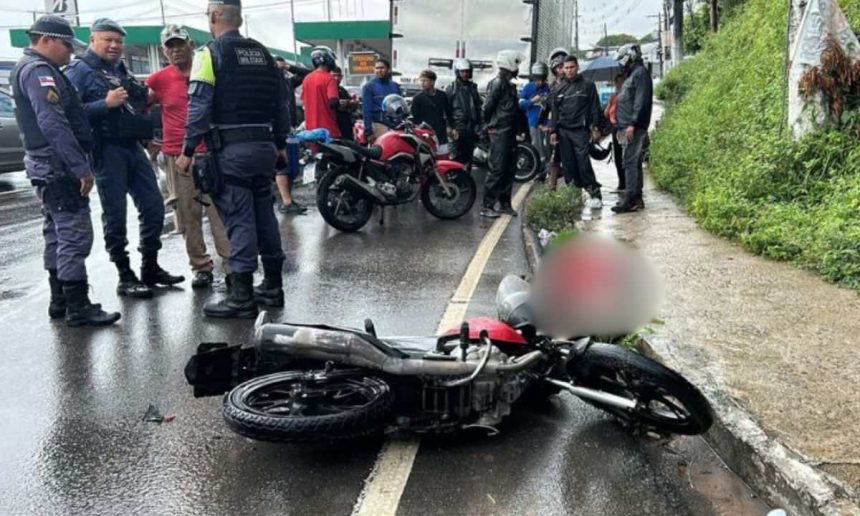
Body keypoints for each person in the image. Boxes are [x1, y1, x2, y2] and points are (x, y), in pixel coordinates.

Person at [176, 0, 289, 318]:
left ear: (213, 16)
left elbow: (199, 107)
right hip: (264, 148)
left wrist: (187, 150)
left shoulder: (208, 54)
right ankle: (273, 286)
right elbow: (282, 105)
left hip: (231, 152)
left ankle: (241, 297)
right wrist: (280, 143)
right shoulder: (264, 55)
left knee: (239, 220)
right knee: (264, 216)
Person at [10, 16, 120, 327]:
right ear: (46, 40)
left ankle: (60, 300)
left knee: (55, 231)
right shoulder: (39, 71)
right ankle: (78, 305)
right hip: (57, 166)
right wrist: (80, 167)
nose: (70, 52)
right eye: (67, 45)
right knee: (74, 234)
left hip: (47, 164)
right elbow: (53, 122)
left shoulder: (32, 68)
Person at [65, 18, 184, 299]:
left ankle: (150, 267)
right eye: (108, 40)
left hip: (132, 147)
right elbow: (68, 113)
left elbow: (138, 102)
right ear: (93, 40)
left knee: (154, 207)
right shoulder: (78, 70)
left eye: (119, 41)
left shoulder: (119, 68)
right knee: (115, 214)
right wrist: (103, 104)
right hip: (105, 150)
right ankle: (124, 274)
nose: (115, 45)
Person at [145, 25, 230, 288]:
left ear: (190, 45)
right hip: (177, 157)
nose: (175, 50)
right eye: (170, 46)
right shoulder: (158, 80)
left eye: (179, 44)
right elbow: (139, 109)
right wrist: (148, 140)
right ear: (164, 51)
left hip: (212, 154)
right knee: (186, 215)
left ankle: (232, 267)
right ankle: (201, 267)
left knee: (221, 213)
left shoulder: (208, 71)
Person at [547, 55, 604, 208]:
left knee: (583, 164)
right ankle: (574, 195)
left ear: (577, 67)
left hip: (580, 131)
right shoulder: (558, 88)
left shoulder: (588, 85)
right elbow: (554, 112)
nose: (569, 70)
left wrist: (595, 128)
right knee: (568, 166)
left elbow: (595, 108)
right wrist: (553, 131)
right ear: (563, 70)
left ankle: (595, 195)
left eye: (572, 67)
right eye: (566, 68)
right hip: (563, 132)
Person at [480, 50, 526, 219]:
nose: (518, 68)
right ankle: (487, 206)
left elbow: (515, 111)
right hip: (499, 133)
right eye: (516, 64)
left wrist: (520, 130)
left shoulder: (509, 86)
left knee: (509, 169)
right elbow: (487, 108)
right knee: (497, 170)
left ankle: (504, 204)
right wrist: (490, 127)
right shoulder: (497, 83)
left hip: (509, 132)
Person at [612, 44, 653, 214]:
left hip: (633, 127)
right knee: (632, 162)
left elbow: (641, 101)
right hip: (626, 126)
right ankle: (636, 198)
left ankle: (630, 198)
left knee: (629, 162)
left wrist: (633, 123)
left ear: (629, 57)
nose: (620, 64)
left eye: (622, 59)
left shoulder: (640, 74)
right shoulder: (633, 74)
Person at [274, 55, 308, 215]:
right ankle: (286, 201)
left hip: (291, 129)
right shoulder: (269, 83)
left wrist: (288, 66)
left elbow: (307, 74)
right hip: (278, 130)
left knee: (293, 167)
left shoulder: (288, 82)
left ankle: (288, 199)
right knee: (282, 166)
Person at [446, 58, 482, 169]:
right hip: (457, 128)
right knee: (454, 158)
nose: (465, 74)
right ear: (458, 72)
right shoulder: (451, 88)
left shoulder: (473, 88)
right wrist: (449, 127)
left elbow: (478, 108)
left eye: (467, 71)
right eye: (463, 71)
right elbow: (446, 109)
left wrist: (479, 125)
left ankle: (466, 179)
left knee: (468, 158)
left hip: (471, 128)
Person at [409, 69, 456, 156]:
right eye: (421, 80)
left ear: (432, 82)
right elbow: (414, 118)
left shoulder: (442, 95)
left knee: (443, 157)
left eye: (425, 80)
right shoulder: (417, 98)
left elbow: (448, 112)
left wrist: (449, 126)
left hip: (440, 133)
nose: (422, 83)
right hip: (425, 135)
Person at [542, 48, 569, 190]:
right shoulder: (552, 88)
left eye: (564, 67)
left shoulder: (574, 85)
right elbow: (547, 108)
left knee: (571, 160)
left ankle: (572, 189)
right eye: (559, 67)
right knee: (553, 159)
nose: (563, 70)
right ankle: (552, 188)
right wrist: (544, 124)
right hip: (554, 129)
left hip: (570, 128)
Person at [300, 46, 341, 138]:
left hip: (310, 131)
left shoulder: (307, 78)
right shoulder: (329, 78)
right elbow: (333, 102)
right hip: (327, 130)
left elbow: (304, 102)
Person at [361, 58, 401, 141]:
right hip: (378, 124)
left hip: (396, 125)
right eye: (377, 68)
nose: (379, 70)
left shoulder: (395, 86)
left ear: (388, 70)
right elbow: (366, 110)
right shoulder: (368, 87)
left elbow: (399, 106)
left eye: (382, 68)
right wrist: (368, 130)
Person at [519, 61, 550, 164]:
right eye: (537, 79)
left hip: (546, 123)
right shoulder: (528, 87)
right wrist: (532, 101)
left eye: (542, 79)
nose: (539, 82)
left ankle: (547, 166)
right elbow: (520, 104)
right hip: (534, 123)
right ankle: (538, 167)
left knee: (547, 148)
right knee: (537, 147)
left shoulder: (547, 88)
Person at [604, 73, 626, 192]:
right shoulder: (613, 97)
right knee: (617, 155)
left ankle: (627, 182)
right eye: (617, 82)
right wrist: (610, 102)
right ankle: (621, 182)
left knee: (625, 155)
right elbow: (606, 114)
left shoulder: (627, 95)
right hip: (615, 128)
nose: (619, 84)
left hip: (624, 127)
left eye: (621, 82)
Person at [332, 66, 358, 141]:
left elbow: (352, 104)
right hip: (333, 124)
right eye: (334, 75)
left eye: (338, 76)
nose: (336, 78)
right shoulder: (326, 90)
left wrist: (350, 103)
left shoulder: (342, 90)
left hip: (345, 124)